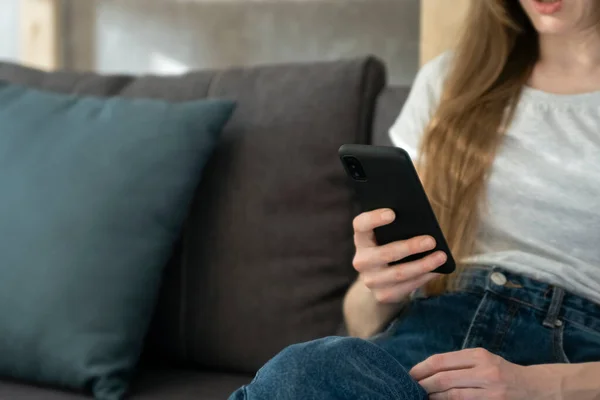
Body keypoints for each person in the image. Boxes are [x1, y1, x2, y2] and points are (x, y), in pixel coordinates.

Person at [230, 0, 600, 398]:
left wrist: (540, 386)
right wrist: (381, 287)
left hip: (573, 360)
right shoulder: (452, 80)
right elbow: (360, 322)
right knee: (304, 372)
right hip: (427, 337)